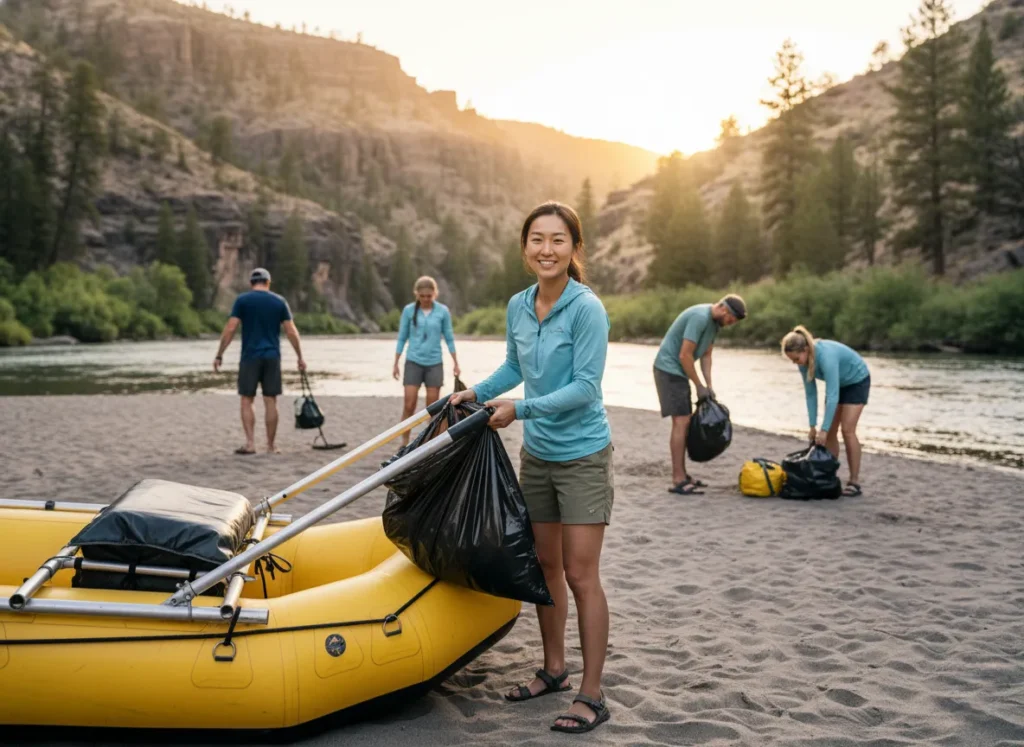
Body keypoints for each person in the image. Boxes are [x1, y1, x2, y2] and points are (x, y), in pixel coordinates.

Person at [451, 202, 613, 735]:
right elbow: (515, 368)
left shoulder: (587, 309)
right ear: (525, 248)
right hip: (537, 455)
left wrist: (518, 409)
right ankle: (555, 670)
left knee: (580, 574)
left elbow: (586, 388)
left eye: (559, 240)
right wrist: (478, 391)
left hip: (584, 455)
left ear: (574, 249)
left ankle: (592, 694)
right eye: (537, 240)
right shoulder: (519, 305)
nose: (547, 249)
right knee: (545, 567)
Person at [652, 295, 746, 495]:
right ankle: (678, 479)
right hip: (668, 370)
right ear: (723, 308)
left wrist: (708, 386)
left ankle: (683, 475)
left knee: (684, 422)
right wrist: (698, 385)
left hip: (680, 372)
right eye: (731, 319)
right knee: (681, 422)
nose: (730, 324)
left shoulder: (714, 325)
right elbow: (684, 355)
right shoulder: (699, 317)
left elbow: (706, 354)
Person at [213, 267, 306, 454]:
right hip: (272, 357)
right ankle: (271, 446)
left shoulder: (242, 300)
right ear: (268, 282)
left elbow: (230, 329)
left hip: (250, 357)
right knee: (270, 400)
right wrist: (300, 357)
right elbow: (291, 332)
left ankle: (250, 444)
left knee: (247, 400)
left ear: (251, 283)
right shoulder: (279, 301)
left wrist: (219, 354)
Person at [781, 325, 870, 497]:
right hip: (840, 384)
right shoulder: (803, 363)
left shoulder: (826, 356)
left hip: (856, 380)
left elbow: (832, 395)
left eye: (796, 358)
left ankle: (854, 482)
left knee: (847, 430)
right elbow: (811, 394)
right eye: (792, 360)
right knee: (829, 434)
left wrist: (824, 428)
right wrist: (814, 426)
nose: (795, 362)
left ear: (806, 350)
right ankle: (828, 476)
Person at [393, 276, 460, 445]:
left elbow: (449, 338)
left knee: (433, 407)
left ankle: (429, 443)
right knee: (409, 405)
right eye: (422, 296)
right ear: (417, 294)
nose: (425, 299)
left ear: (435, 294)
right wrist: (396, 363)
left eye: (429, 296)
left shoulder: (442, 311)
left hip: (434, 363)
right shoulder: (408, 311)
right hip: (413, 362)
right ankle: (404, 442)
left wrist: (456, 363)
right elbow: (402, 338)